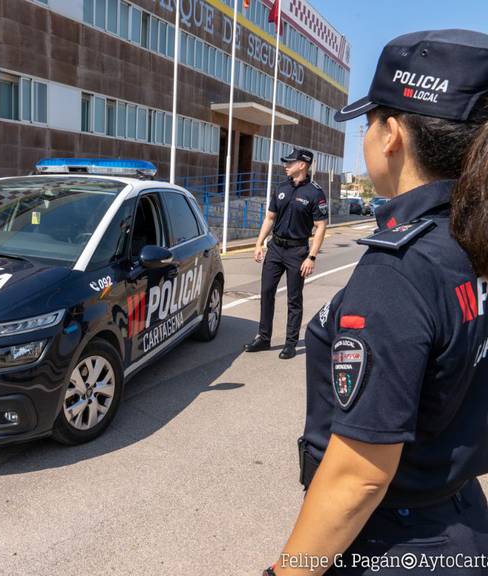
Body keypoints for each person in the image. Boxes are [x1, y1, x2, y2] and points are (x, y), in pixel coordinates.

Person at [262, 29, 488, 576]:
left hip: (394, 543)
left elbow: (359, 474)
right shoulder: (468, 240)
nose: (364, 137)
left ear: (391, 134)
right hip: (460, 516)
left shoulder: (399, 268)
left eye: (367, 123)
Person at [245, 148, 328, 360]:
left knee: (293, 298)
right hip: (275, 248)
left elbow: (320, 226)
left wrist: (311, 256)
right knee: (266, 293)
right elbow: (270, 218)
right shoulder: (281, 187)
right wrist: (259, 243)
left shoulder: (315, 192)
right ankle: (264, 338)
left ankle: (291, 343)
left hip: (297, 251)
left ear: (303, 165)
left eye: (290, 162)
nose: (286, 165)